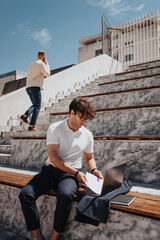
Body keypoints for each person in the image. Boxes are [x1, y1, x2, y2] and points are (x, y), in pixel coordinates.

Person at [19, 97, 103, 240]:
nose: (84, 121)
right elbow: (54, 158)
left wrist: (94, 170)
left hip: (70, 176)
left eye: (86, 119)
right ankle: (38, 237)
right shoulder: (55, 128)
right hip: (52, 170)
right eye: (82, 117)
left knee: (65, 195)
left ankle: (54, 238)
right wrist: (77, 173)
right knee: (25, 194)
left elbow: (89, 158)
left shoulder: (87, 135)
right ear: (72, 112)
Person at [20, 50, 50, 131]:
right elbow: (47, 74)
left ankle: (26, 115)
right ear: (43, 56)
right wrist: (46, 64)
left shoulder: (31, 64)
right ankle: (32, 126)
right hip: (35, 87)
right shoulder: (41, 63)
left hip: (28, 87)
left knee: (35, 105)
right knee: (38, 106)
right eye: (45, 56)